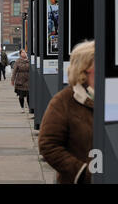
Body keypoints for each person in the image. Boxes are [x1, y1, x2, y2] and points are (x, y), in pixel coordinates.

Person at [38, 40, 95, 184]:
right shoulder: (63, 101)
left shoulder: (112, 97)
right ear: (86, 66)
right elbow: (48, 145)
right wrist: (82, 172)